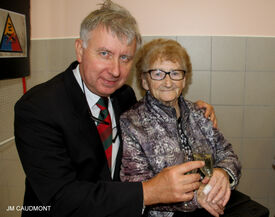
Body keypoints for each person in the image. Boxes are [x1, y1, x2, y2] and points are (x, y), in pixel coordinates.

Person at [14, 1, 216, 217]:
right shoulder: (38, 108)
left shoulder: (123, 95)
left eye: (125, 58)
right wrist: (149, 192)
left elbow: (152, 116)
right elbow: (61, 198)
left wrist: (191, 111)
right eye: (104, 54)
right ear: (80, 50)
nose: (115, 71)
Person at [120, 38, 242, 217]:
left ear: (184, 80)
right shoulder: (131, 123)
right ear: (145, 81)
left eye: (175, 73)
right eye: (158, 74)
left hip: (213, 207)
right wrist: (196, 197)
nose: (168, 82)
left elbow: (228, 154)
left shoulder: (200, 114)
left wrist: (223, 173)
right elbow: (137, 187)